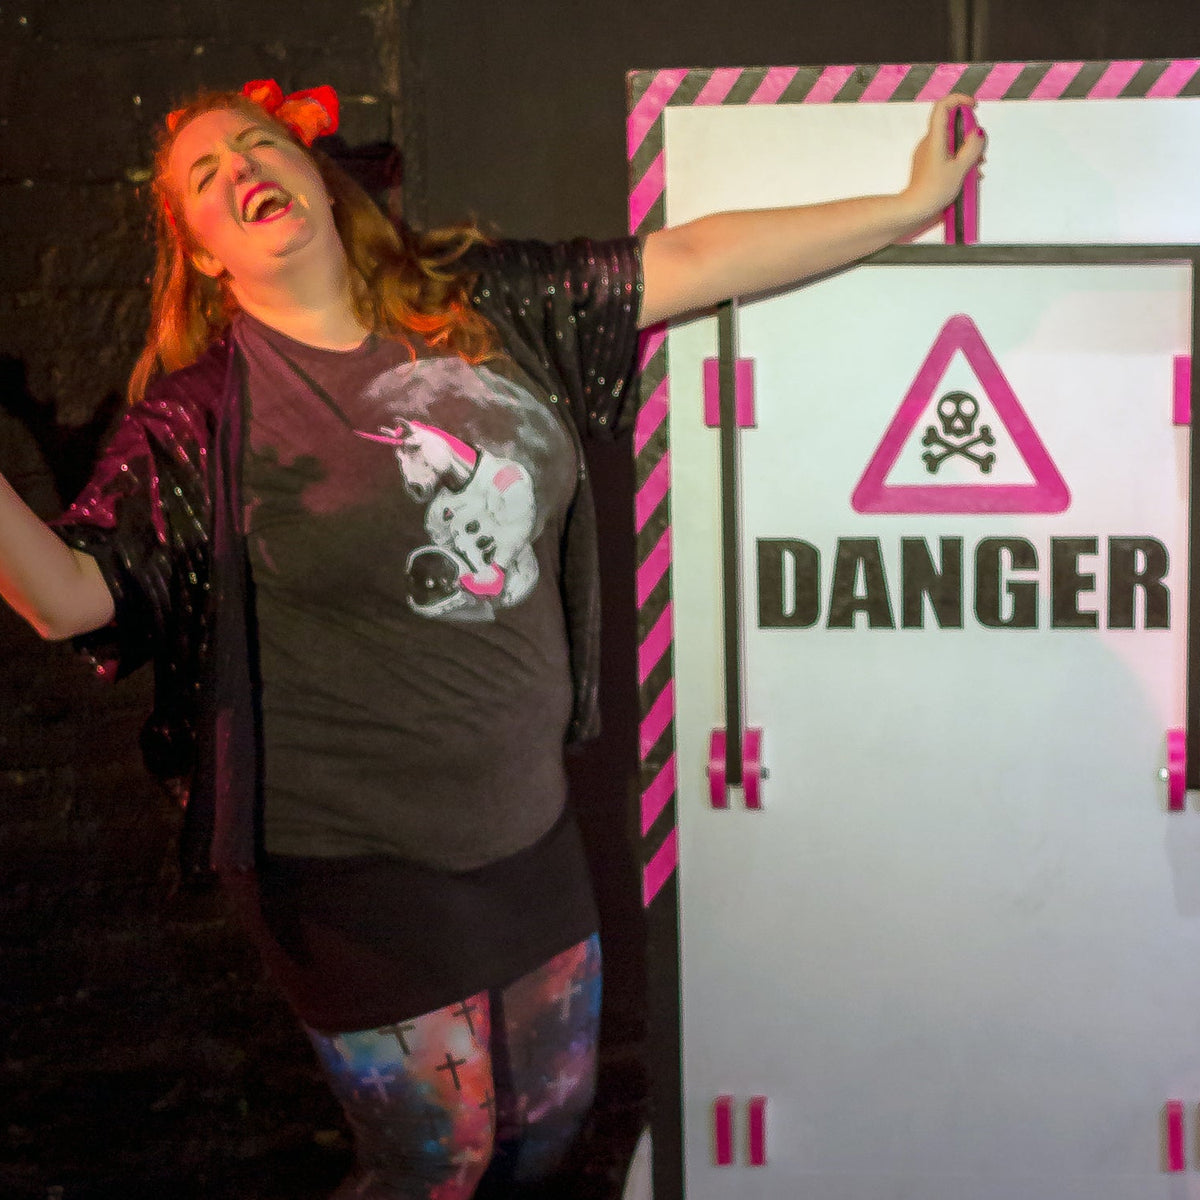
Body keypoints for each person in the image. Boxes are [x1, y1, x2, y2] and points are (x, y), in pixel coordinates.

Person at [0, 79, 983, 1199]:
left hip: (525, 831)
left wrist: (906, 206)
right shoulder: (202, 414)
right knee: (438, 1166)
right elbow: (72, 599)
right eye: (207, 182)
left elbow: (697, 259)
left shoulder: (485, 311)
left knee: (546, 1137)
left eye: (256, 146)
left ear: (316, 176)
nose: (241, 172)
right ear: (206, 255)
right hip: (347, 867)